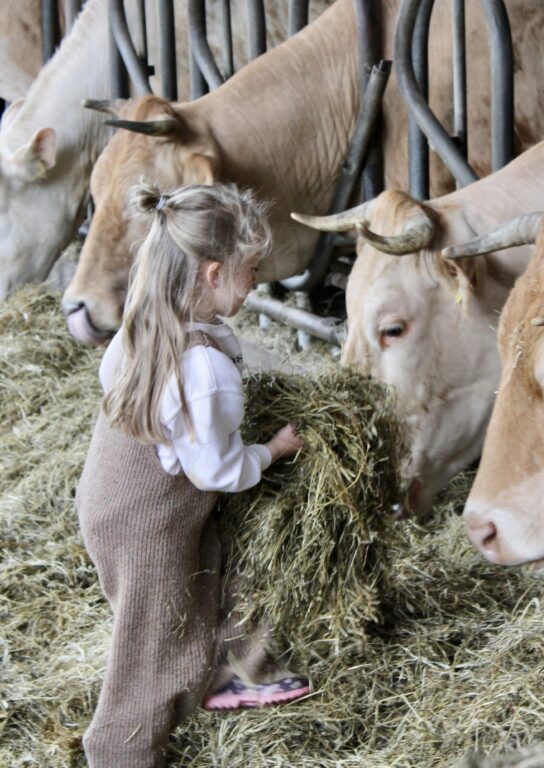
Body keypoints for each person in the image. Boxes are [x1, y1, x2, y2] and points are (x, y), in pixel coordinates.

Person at [76, 181, 309, 768]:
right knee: (157, 646)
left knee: (218, 568)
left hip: (115, 501)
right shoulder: (204, 369)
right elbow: (218, 471)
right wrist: (274, 450)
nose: (256, 282)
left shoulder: (144, 327)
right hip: (146, 526)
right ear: (212, 274)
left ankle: (241, 672)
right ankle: (117, 750)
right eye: (250, 269)